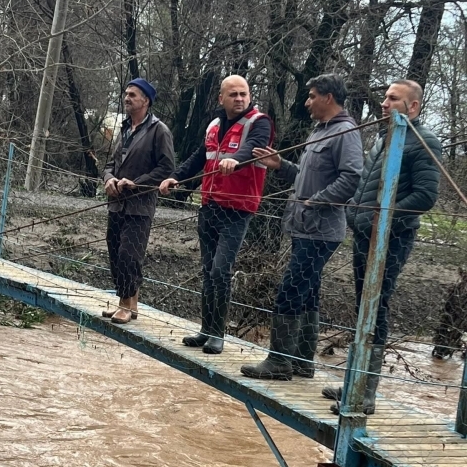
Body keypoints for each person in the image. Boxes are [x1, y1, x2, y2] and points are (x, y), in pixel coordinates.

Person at [322, 79, 441, 414]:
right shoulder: (382, 138)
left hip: (393, 238)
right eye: (385, 98)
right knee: (363, 306)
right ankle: (353, 382)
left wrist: (383, 218)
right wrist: (354, 213)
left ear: (413, 106)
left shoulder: (424, 141)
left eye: (393, 99)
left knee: (376, 307)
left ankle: (365, 394)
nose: (385, 104)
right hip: (366, 235)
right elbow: (364, 184)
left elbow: (426, 196)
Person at [240, 73, 363, 380]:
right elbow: (307, 177)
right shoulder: (321, 130)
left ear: (328, 98)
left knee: (290, 291)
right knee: (307, 293)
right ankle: (302, 361)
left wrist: (316, 201)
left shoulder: (345, 132)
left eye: (311, 96)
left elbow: (351, 178)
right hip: (304, 226)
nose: (307, 102)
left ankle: (279, 362)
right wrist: (281, 165)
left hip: (321, 230)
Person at [159, 75, 273, 354]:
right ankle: (206, 329)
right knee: (208, 271)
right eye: (233, 94)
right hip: (209, 205)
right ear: (221, 99)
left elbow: (253, 147)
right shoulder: (213, 126)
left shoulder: (259, 122)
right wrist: (176, 177)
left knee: (221, 270)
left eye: (243, 94)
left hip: (237, 209)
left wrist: (236, 159)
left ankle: (218, 334)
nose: (239, 99)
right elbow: (199, 157)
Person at [102, 78, 175, 324]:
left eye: (132, 95)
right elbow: (110, 164)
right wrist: (109, 179)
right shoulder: (124, 128)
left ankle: (124, 305)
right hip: (117, 203)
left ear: (146, 101)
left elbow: (166, 167)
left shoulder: (159, 130)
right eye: (126, 93)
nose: (127, 98)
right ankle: (130, 303)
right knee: (114, 251)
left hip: (140, 206)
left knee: (129, 254)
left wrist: (137, 183)